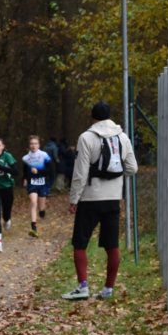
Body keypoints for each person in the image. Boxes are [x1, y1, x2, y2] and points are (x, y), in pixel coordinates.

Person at [62, 102, 138, 301]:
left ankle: (83, 287)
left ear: (92, 117)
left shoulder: (86, 137)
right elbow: (133, 168)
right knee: (112, 245)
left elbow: (80, 173)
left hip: (90, 198)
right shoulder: (123, 137)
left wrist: (74, 199)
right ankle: (108, 289)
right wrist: (115, 176)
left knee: (80, 243)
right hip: (113, 198)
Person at [21, 135, 54, 237]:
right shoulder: (26, 158)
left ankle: (42, 211)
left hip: (43, 183)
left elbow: (50, 170)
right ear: (29, 145)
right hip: (32, 184)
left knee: (41, 206)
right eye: (31, 144)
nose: (33, 146)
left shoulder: (44, 155)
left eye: (35, 144)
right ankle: (33, 227)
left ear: (39, 145)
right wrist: (25, 179)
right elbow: (25, 170)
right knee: (33, 202)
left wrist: (38, 171)